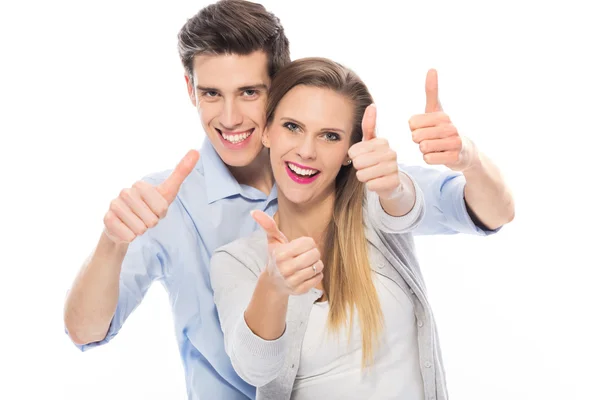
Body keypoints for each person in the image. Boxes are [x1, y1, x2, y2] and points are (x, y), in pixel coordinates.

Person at [63, 0, 514, 399]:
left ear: (277, 87)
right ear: (190, 92)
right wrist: (111, 242)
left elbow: (478, 210)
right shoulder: (165, 204)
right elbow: (84, 330)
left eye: (249, 92)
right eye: (211, 94)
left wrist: (465, 157)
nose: (230, 117)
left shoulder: (351, 174)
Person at [210, 57, 444, 400]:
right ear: (266, 131)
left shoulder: (376, 210)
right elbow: (253, 368)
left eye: (329, 136)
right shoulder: (236, 260)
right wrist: (274, 286)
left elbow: (405, 209)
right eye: (292, 127)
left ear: (350, 151)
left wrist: (394, 187)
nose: (306, 151)